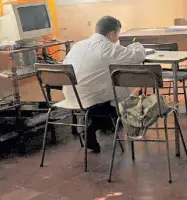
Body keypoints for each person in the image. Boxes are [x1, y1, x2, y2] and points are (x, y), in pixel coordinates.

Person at [62, 16, 147, 152]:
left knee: (109, 84)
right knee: (122, 92)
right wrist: (136, 45)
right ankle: (96, 123)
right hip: (92, 99)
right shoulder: (108, 47)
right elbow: (137, 56)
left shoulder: (78, 45)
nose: (117, 39)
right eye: (117, 35)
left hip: (71, 97)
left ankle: (92, 121)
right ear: (112, 33)